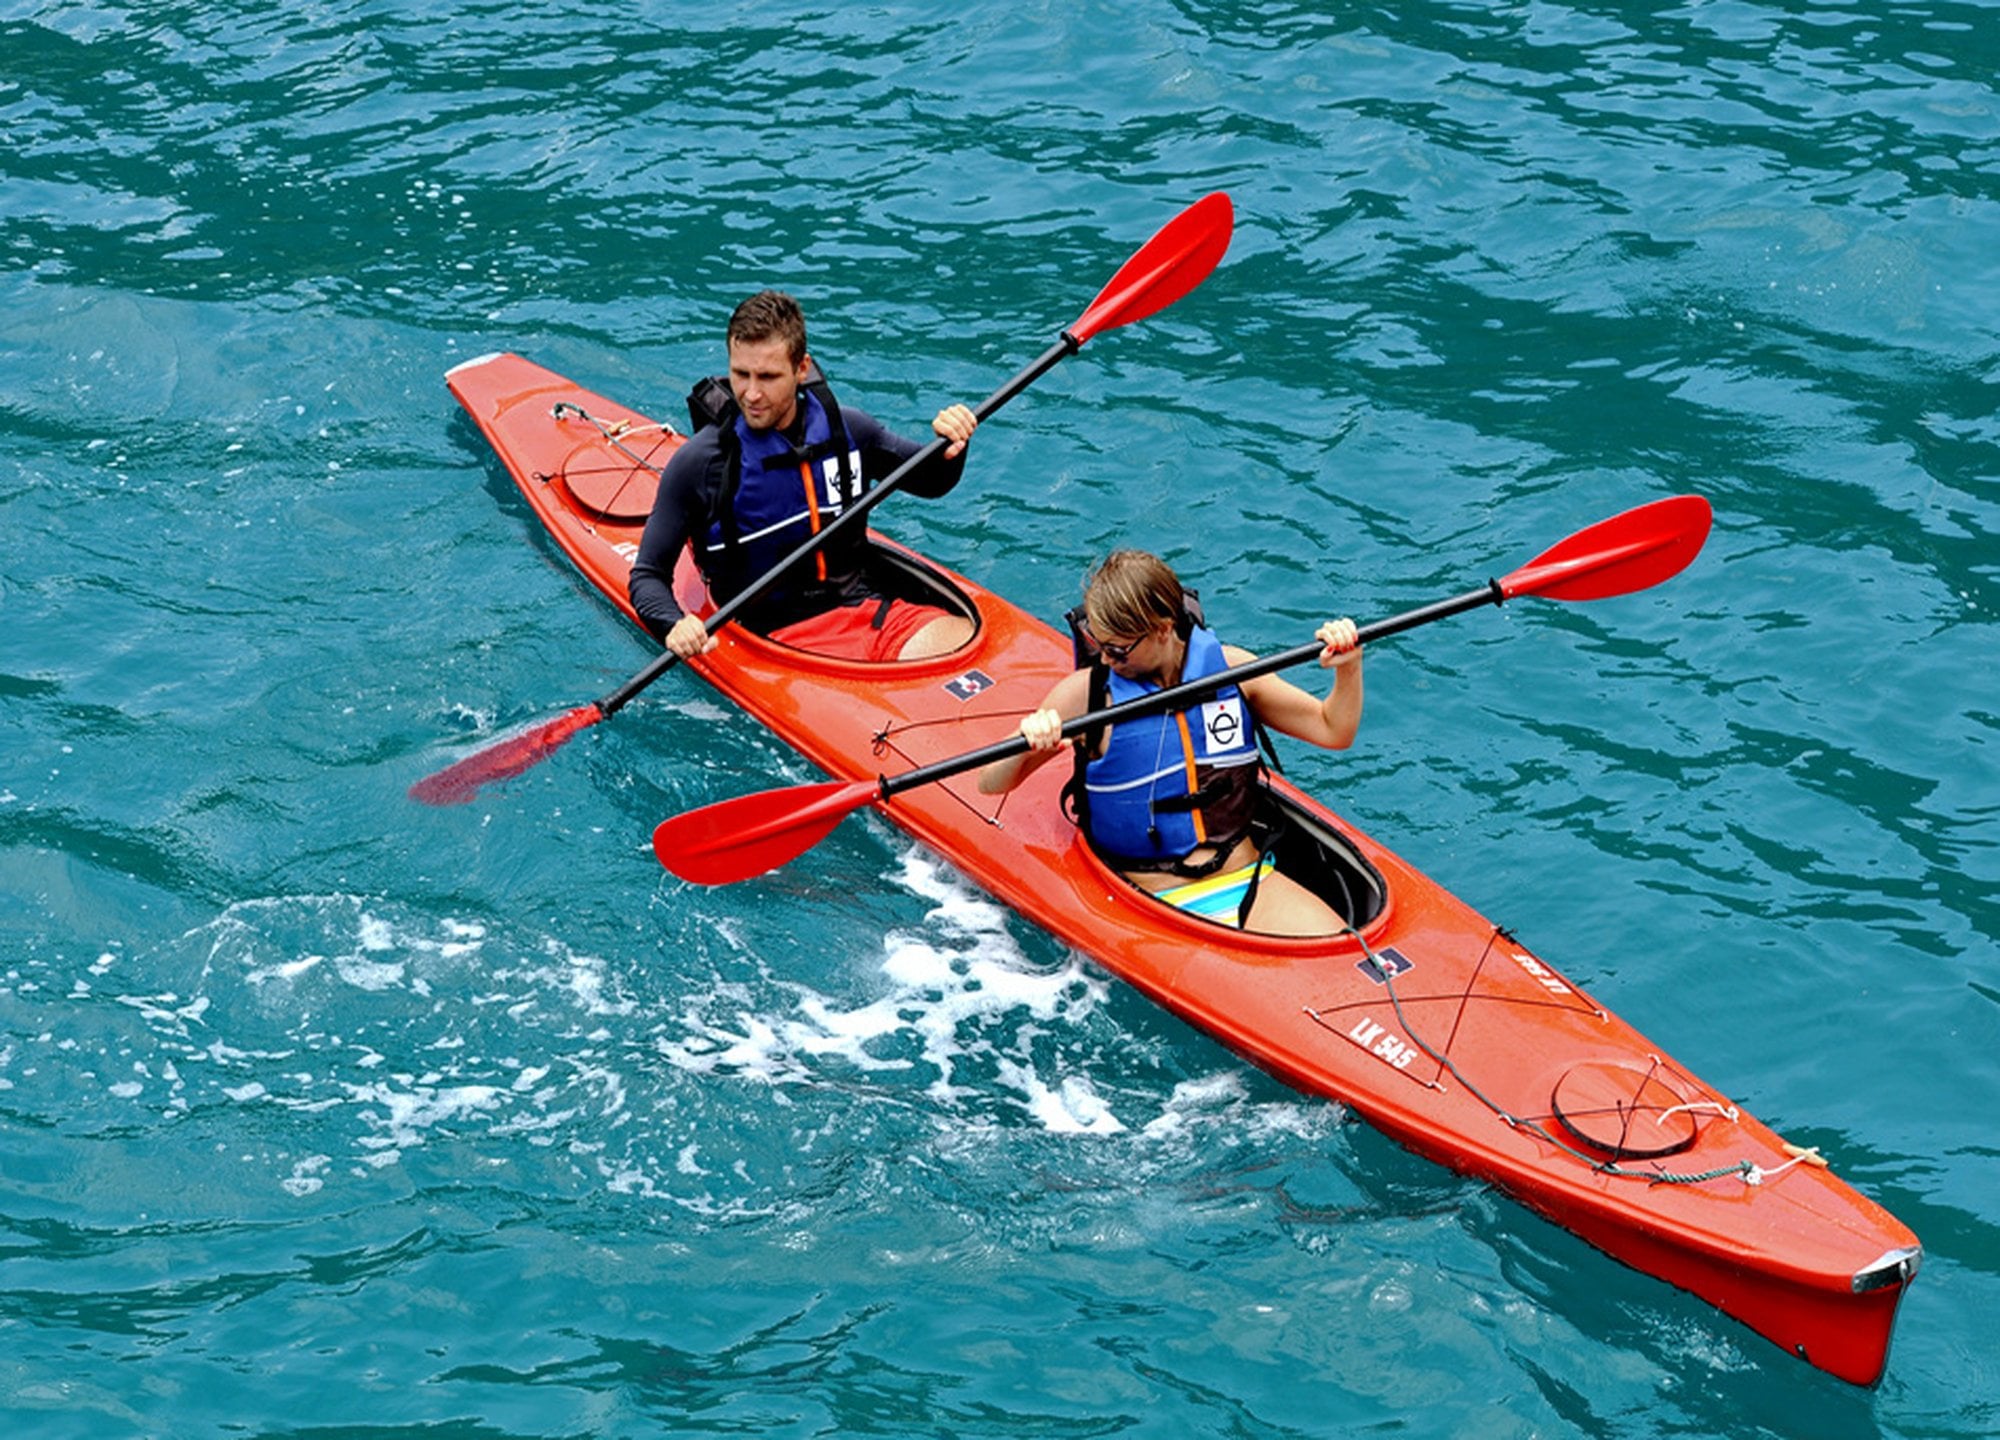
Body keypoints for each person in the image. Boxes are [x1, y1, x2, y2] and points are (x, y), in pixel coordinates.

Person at [978, 550, 1363, 937]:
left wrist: (1348, 667)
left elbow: (1333, 731)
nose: (1106, 660)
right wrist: (1030, 741)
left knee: (1351, 963)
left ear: (1163, 628)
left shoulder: (1233, 672)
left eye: (1117, 649)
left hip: (1248, 884)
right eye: (1099, 644)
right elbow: (990, 782)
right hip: (1145, 902)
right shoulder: (1085, 697)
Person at [628, 290, 979, 662]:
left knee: (966, 649)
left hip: (868, 614)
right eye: (740, 374)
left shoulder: (847, 431)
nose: (751, 394)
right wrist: (674, 625)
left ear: (801, 368)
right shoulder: (701, 463)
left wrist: (953, 444)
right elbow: (647, 576)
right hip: (770, 641)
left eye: (768, 376)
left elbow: (933, 481)